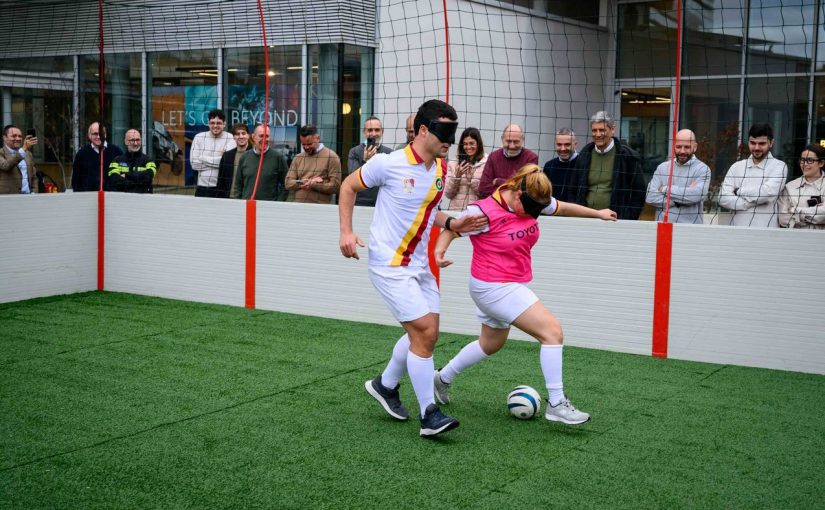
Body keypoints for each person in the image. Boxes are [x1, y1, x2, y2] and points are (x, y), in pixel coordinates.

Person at [338, 99, 487, 438]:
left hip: (420, 265)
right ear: (423, 130)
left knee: (423, 333)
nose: (450, 140)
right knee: (425, 333)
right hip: (389, 264)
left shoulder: (440, 170)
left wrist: (452, 221)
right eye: (444, 132)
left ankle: (386, 385)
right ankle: (428, 414)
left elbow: (428, 212)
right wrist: (346, 232)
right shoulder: (389, 164)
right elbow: (348, 186)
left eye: (453, 131)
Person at [433, 164, 616, 425]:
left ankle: (441, 378)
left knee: (490, 344)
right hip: (494, 286)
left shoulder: (534, 194)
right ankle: (556, 403)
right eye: (530, 210)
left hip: (502, 284)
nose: (534, 215)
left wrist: (597, 213)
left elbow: (561, 207)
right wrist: (439, 253)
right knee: (552, 331)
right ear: (518, 194)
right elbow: (452, 229)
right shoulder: (483, 211)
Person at [568, 111, 646, 220]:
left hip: (616, 220)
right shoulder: (585, 155)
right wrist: (578, 214)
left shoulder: (627, 156)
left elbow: (639, 192)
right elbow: (573, 189)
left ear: (612, 129)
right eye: (594, 130)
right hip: (586, 219)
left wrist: (628, 217)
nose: (598, 134)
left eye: (602, 130)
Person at [718, 123, 788, 227]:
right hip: (737, 233)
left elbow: (768, 193)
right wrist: (747, 203)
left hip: (767, 234)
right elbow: (722, 198)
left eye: (762, 143)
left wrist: (739, 191)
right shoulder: (736, 167)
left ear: (771, 143)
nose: (756, 147)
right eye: (753, 143)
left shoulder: (779, 166)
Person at [645, 129, 711, 223]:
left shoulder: (703, 169)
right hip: (663, 228)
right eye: (678, 147)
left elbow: (696, 196)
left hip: (691, 230)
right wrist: (680, 200)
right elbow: (650, 196)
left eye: (687, 147)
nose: (682, 151)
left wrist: (664, 189)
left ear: (695, 147)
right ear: (673, 146)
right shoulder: (662, 168)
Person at [478, 123, 538, 198]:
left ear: (523, 140)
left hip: (519, 208)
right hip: (496, 207)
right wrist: (513, 188)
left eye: (516, 142)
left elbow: (528, 190)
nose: (512, 146)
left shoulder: (531, 158)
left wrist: (499, 181)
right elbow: (483, 189)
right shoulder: (493, 157)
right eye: (508, 141)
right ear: (502, 139)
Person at [285, 124, 341, 204]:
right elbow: (288, 183)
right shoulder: (298, 158)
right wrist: (304, 182)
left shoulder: (331, 157)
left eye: (309, 144)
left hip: (319, 209)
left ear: (318, 138)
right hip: (298, 207)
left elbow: (335, 187)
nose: (306, 147)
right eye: (303, 144)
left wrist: (314, 185)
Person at [233, 124, 288, 201]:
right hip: (247, 206)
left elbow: (285, 184)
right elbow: (238, 185)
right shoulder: (245, 157)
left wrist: (278, 203)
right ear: (253, 137)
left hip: (269, 207)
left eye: (267, 136)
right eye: (261, 136)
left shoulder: (278, 157)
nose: (264, 139)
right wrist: (238, 203)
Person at [347, 116, 393, 207]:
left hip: (382, 202)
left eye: (377, 130)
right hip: (360, 202)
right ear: (364, 132)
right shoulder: (354, 151)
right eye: (370, 130)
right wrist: (365, 161)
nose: (373, 133)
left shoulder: (390, 153)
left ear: (382, 132)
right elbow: (352, 177)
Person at [777, 144, 825, 229]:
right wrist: (816, 215)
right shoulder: (789, 187)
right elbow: (783, 219)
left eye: (810, 160)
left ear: (821, 163)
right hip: (798, 239)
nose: (805, 164)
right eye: (802, 160)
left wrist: (795, 210)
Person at [191, 109, 236, 197]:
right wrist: (219, 159)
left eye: (218, 123)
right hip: (202, 188)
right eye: (212, 123)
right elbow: (194, 164)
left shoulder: (230, 138)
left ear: (224, 124)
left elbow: (226, 164)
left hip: (221, 188)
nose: (215, 126)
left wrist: (202, 158)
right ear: (208, 123)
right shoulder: (199, 137)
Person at [71, 122, 123, 192]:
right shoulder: (81, 154)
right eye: (95, 134)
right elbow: (76, 181)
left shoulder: (117, 152)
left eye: (101, 133)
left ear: (105, 135)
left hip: (112, 197)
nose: (98, 137)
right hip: (87, 197)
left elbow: (122, 176)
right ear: (89, 135)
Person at [444, 127, 487, 211]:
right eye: (465, 144)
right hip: (456, 213)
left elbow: (485, 194)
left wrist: (471, 180)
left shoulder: (486, 163)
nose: (468, 147)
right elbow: (448, 194)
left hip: (477, 213)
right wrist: (457, 177)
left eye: (471, 143)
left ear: (478, 144)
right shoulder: (453, 163)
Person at [106, 129, 157, 193]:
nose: (135, 143)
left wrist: (126, 175)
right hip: (123, 200)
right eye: (132, 140)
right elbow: (114, 180)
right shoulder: (117, 161)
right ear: (125, 142)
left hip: (143, 201)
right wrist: (137, 184)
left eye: (138, 140)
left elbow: (149, 176)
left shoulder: (148, 160)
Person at [216, 123, 252, 199]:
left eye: (243, 133)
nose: (241, 136)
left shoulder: (255, 155)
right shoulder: (227, 156)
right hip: (229, 198)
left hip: (248, 198)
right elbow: (220, 181)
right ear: (233, 137)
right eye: (237, 134)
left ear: (248, 136)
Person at [542, 128, 578, 202]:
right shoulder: (549, 166)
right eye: (559, 144)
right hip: (553, 212)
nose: (563, 148)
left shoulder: (583, 164)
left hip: (576, 212)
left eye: (567, 144)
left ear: (575, 145)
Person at [0, 125, 38, 194]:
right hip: (8, 199)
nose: (18, 138)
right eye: (14, 136)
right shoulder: (1, 153)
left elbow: (33, 176)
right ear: (4, 138)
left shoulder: (28, 154)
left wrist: (34, 193)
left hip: (28, 198)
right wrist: (23, 149)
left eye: (20, 136)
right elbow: (6, 166)